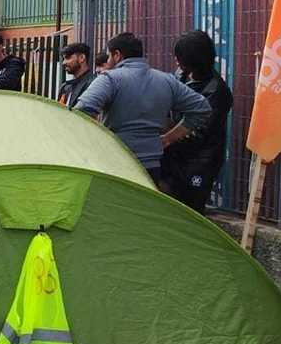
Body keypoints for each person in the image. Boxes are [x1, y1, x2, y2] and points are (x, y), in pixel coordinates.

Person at [75, 32, 213, 185]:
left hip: (116, 163)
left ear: (117, 55)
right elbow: (202, 108)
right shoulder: (166, 80)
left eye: (108, 57)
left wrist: (96, 141)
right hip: (151, 167)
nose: (107, 62)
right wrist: (169, 138)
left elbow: (82, 109)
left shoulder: (110, 79)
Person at [163, 30, 234, 213]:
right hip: (173, 152)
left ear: (193, 60)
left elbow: (200, 133)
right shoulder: (180, 75)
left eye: (180, 58)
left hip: (199, 160)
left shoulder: (218, 92)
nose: (177, 62)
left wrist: (168, 129)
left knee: (190, 209)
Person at [58, 42, 96, 107]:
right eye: (64, 59)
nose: (64, 62)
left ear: (82, 58)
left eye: (68, 58)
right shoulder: (65, 87)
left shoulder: (94, 84)